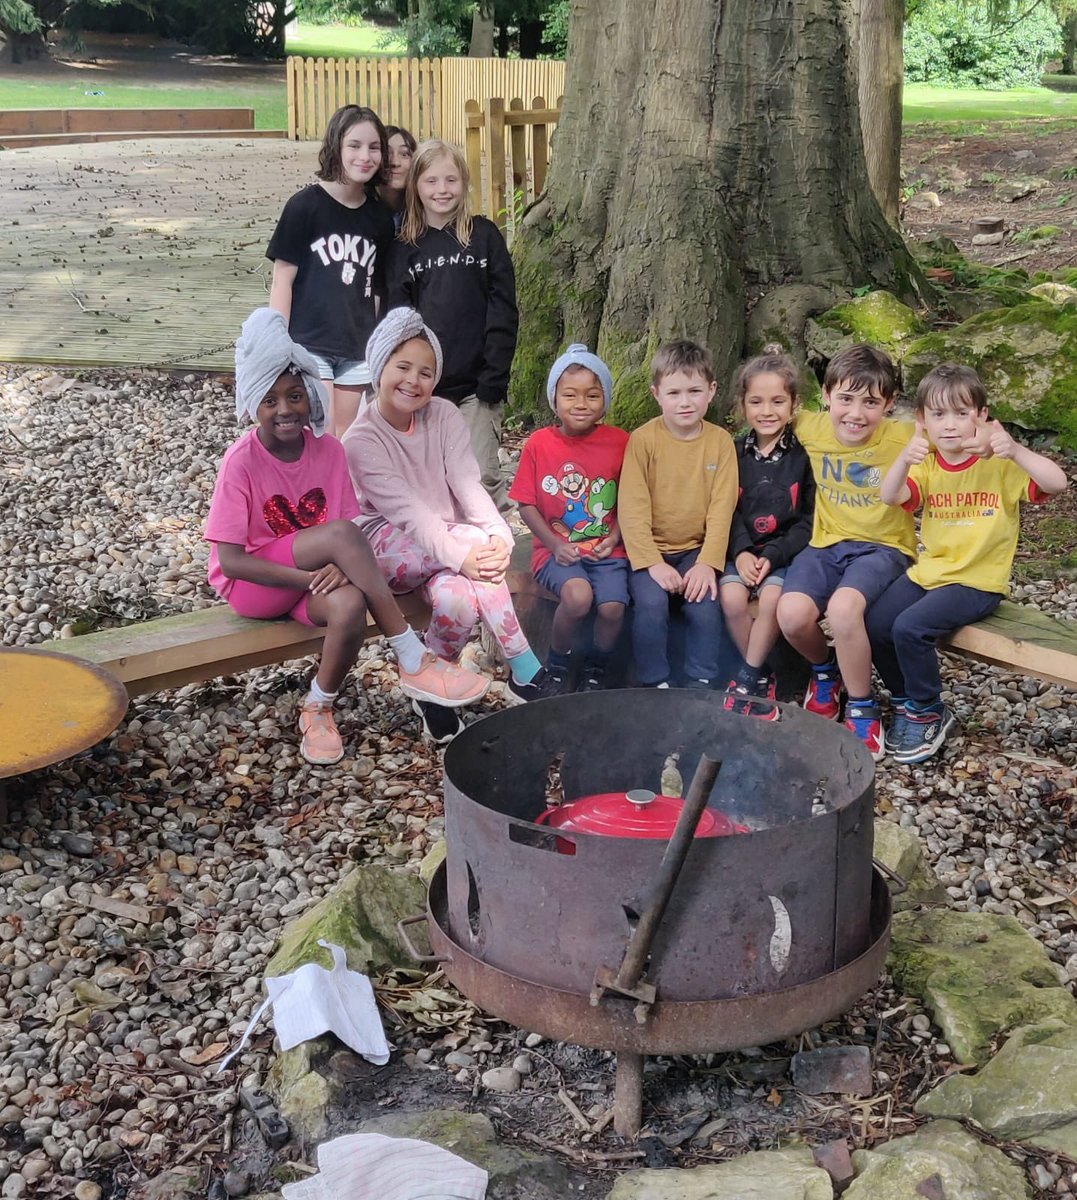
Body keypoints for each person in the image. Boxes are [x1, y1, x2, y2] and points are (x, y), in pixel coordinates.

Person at [204, 308, 488, 766]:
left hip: (310, 577)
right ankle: (411, 654)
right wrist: (310, 579)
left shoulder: (329, 451)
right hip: (256, 586)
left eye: (295, 396)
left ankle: (318, 706)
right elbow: (232, 561)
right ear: (252, 403)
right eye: (270, 400)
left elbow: (347, 535)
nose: (285, 410)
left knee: (350, 604)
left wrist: (333, 572)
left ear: (312, 397)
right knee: (338, 542)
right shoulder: (241, 461)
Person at [343, 308, 551, 745]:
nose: (413, 381)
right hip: (385, 545)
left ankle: (431, 692)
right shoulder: (362, 440)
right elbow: (407, 513)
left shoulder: (443, 414)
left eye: (426, 372)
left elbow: (466, 483)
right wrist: (469, 551)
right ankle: (524, 666)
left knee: (457, 600)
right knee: (468, 548)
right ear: (380, 367)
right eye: (402, 367)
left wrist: (496, 535)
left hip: (448, 543)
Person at [868, 363, 1067, 764]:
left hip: (977, 581)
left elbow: (1058, 483)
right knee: (875, 622)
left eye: (962, 413)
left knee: (910, 627)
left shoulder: (999, 463)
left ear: (982, 416)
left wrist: (1016, 450)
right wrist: (905, 459)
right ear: (921, 420)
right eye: (938, 415)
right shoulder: (926, 462)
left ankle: (928, 711)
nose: (951, 425)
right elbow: (891, 496)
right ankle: (907, 697)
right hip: (932, 573)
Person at [776, 344, 916, 759]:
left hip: (883, 548)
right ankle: (826, 672)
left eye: (870, 402)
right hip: (825, 545)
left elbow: (956, 431)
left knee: (842, 610)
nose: (856, 413)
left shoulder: (905, 436)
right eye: (846, 399)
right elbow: (765, 410)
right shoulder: (809, 427)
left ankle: (862, 706)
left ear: (889, 404)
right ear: (827, 396)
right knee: (792, 614)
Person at [387, 139, 518, 513]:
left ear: (464, 182)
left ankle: (494, 559)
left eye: (450, 180)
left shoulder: (485, 237)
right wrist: (409, 382)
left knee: (479, 476)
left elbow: (503, 309)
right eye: (430, 181)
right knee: (429, 480)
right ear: (415, 186)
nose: (442, 190)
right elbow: (399, 322)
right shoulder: (404, 248)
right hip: (426, 387)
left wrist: (494, 377)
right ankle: (444, 560)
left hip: (477, 387)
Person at [267, 105, 395, 439]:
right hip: (311, 343)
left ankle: (335, 493)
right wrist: (278, 342)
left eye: (374, 147)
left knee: (343, 436)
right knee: (317, 431)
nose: (364, 156)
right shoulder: (304, 207)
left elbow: (379, 290)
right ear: (336, 146)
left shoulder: (380, 219)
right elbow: (283, 279)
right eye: (354, 145)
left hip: (356, 348)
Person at [509, 344, 630, 695]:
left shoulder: (620, 442)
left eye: (593, 395)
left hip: (608, 550)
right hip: (556, 550)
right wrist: (554, 544)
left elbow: (631, 499)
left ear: (605, 400)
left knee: (612, 607)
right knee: (577, 598)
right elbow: (526, 504)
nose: (581, 404)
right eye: (570, 395)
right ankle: (557, 664)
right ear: (554, 399)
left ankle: (596, 668)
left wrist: (616, 537)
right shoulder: (539, 444)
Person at [618, 340, 738, 690]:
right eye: (673, 393)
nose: (684, 402)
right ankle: (655, 681)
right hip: (650, 551)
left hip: (695, 551)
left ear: (712, 391)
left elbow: (722, 508)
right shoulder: (643, 441)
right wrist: (652, 563)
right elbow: (632, 508)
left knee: (704, 605)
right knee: (652, 605)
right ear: (656, 394)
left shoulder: (720, 443)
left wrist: (707, 563)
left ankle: (701, 678)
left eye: (694, 391)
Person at [720, 345, 815, 720]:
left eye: (778, 401)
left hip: (784, 554)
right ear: (742, 405)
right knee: (730, 600)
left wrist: (772, 556)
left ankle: (746, 678)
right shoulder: (733, 452)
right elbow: (724, 508)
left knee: (773, 600)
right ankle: (760, 677)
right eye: (756, 402)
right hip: (740, 551)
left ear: (794, 405)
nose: (767, 411)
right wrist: (742, 552)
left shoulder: (803, 457)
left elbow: (807, 520)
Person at [378, 125, 416, 233]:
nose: (395, 162)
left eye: (404, 154)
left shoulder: (425, 211)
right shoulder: (361, 209)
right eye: (386, 153)